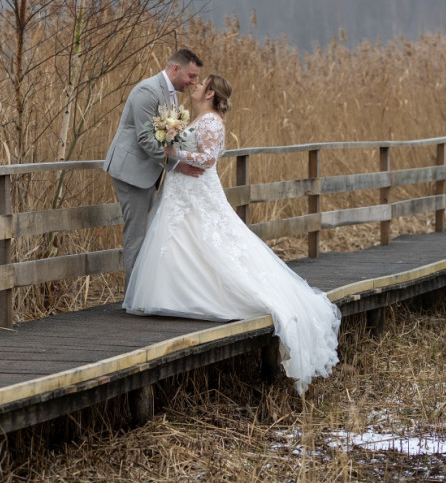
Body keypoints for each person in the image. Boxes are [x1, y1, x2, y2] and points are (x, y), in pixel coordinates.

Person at [122, 75, 341, 395]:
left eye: (201, 85)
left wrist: (173, 151)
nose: (195, 87)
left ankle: (210, 296)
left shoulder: (212, 122)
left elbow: (208, 159)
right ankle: (172, 297)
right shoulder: (199, 118)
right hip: (181, 191)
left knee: (212, 241)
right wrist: (172, 142)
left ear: (210, 93)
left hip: (197, 189)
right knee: (181, 242)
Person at [104, 48, 205, 289]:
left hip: (149, 172)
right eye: (191, 76)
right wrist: (177, 164)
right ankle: (133, 296)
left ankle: (142, 292)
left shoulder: (170, 94)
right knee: (137, 235)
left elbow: (167, 136)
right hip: (132, 172)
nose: (193, 82)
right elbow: (145, 138)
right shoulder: (147, 91)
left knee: (147, 233)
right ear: (175, 68)